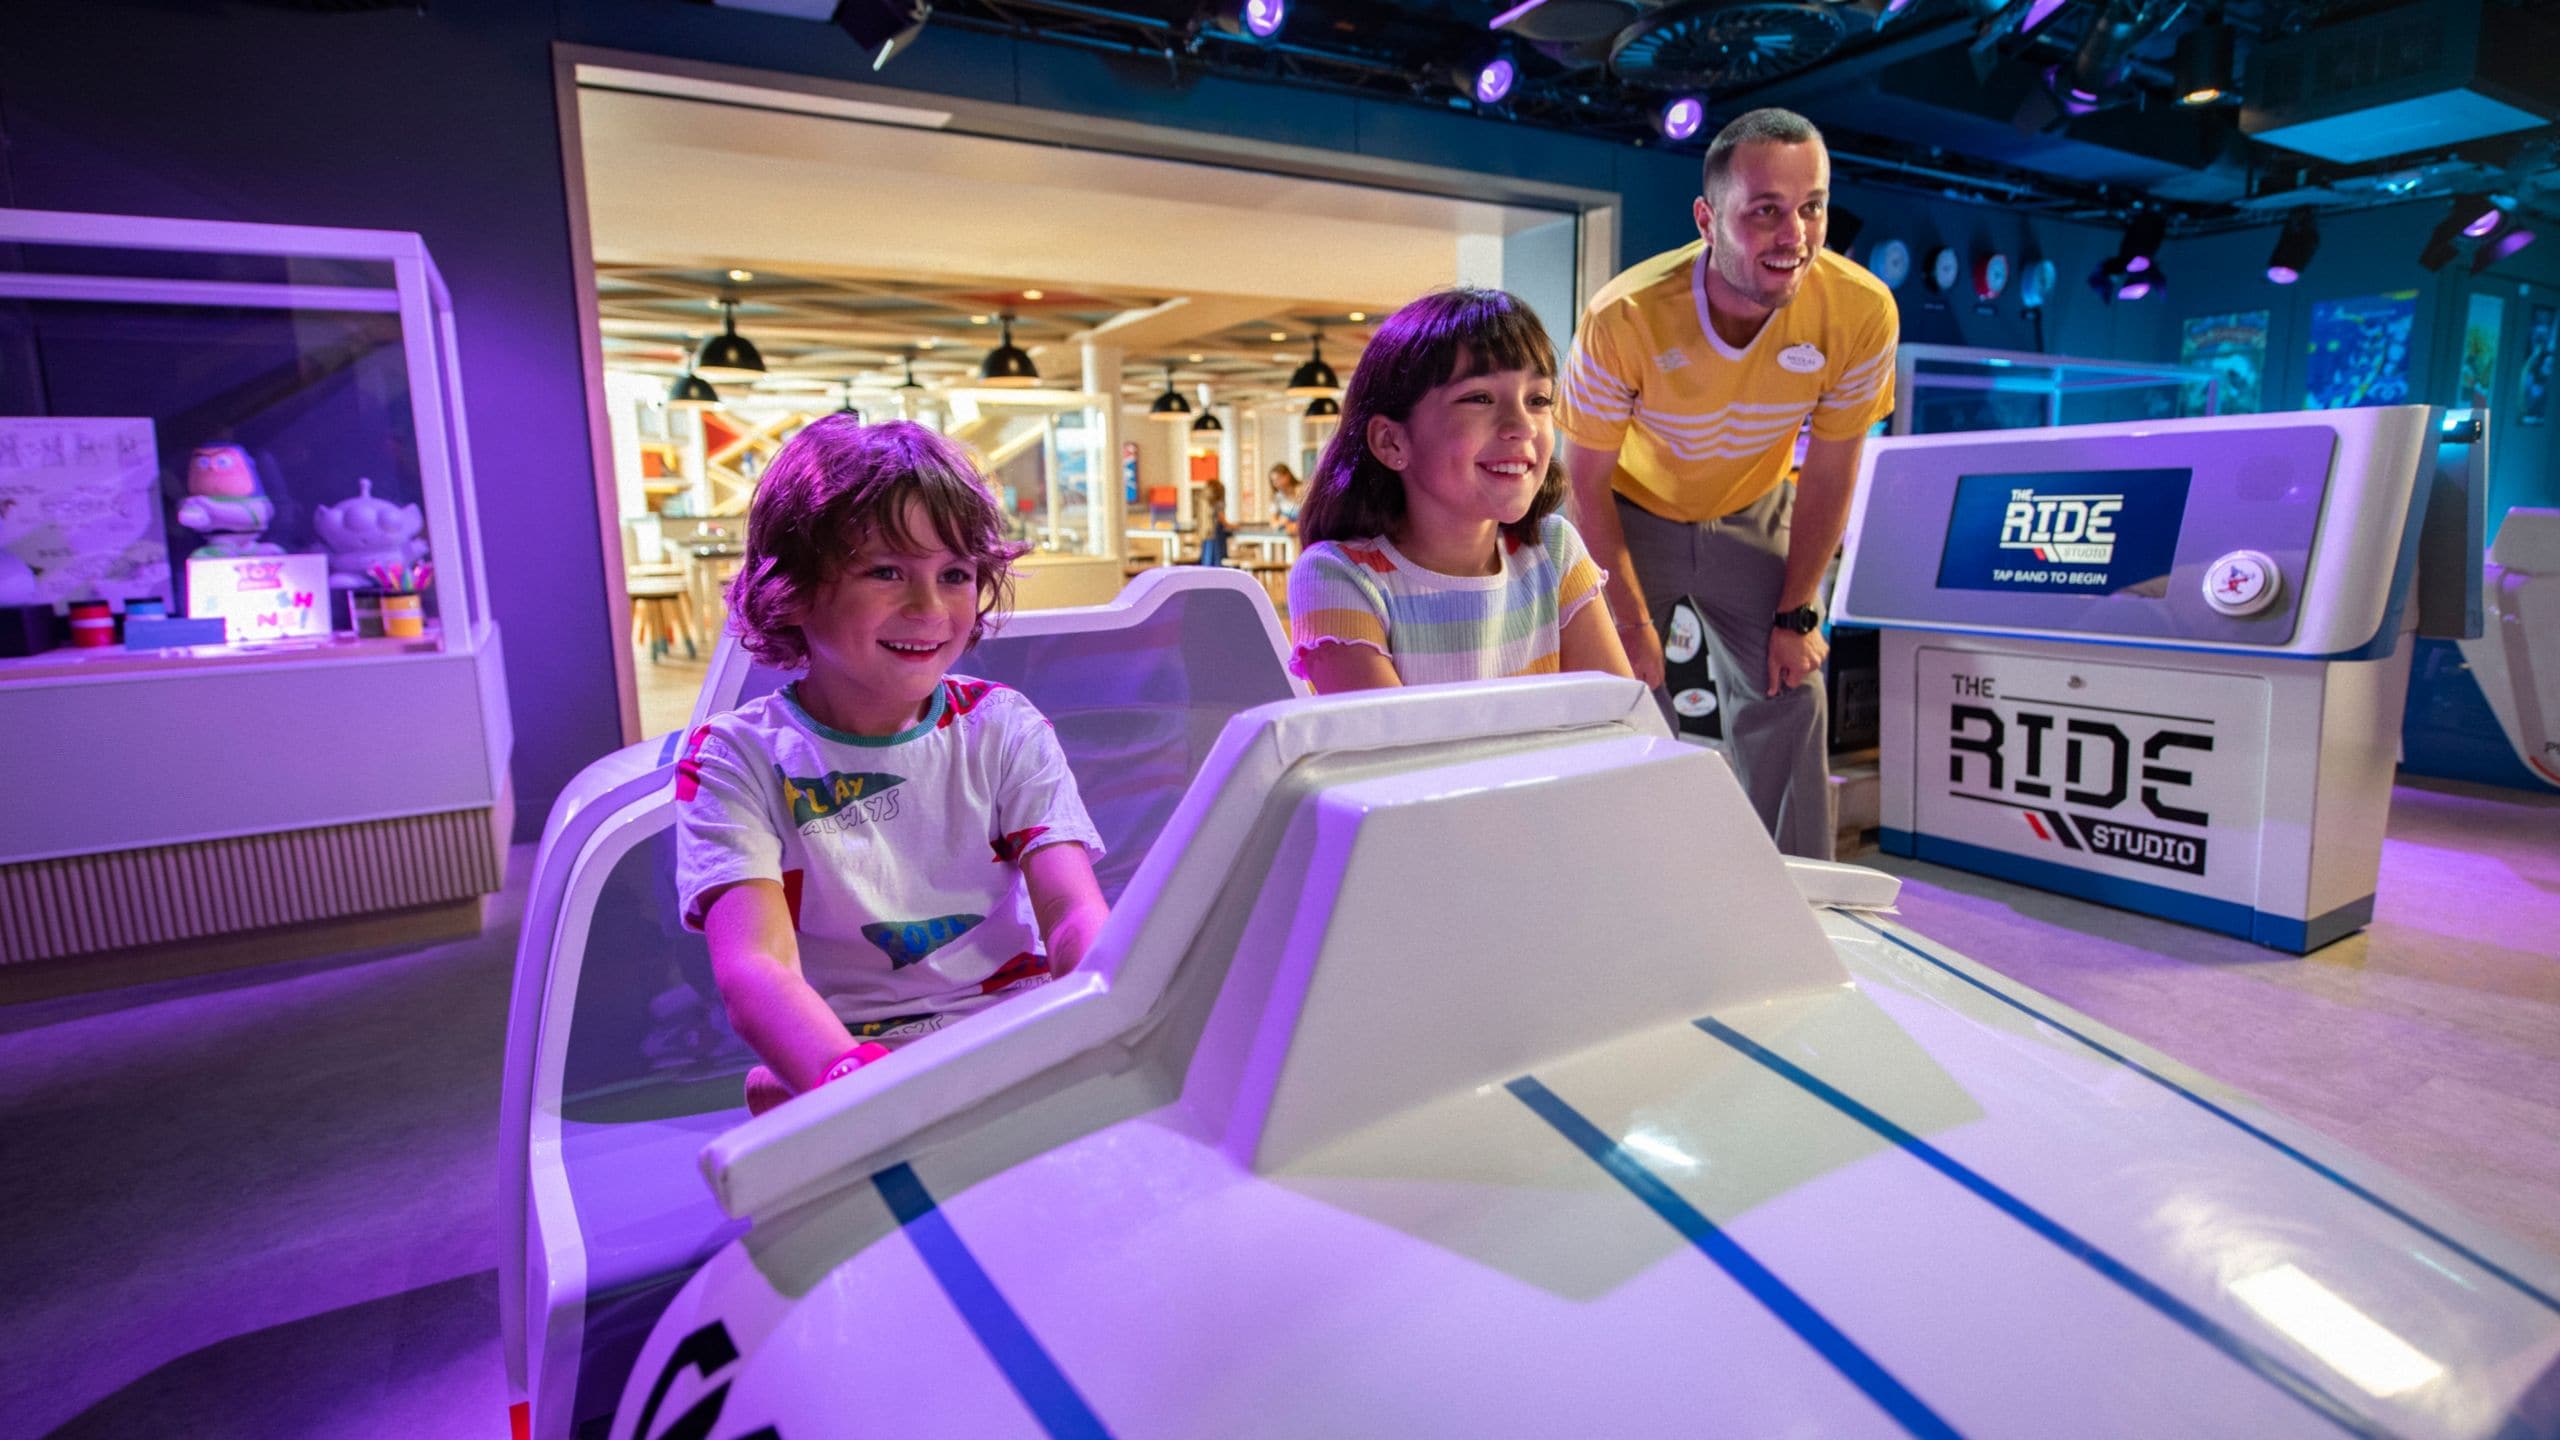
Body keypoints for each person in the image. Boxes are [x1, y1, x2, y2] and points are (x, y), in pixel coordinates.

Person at [674, 417, 1110, 1116]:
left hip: (1012, 1029)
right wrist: (855, 1084)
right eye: (886, 571)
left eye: (955, 575)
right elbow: (757, 972)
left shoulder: (1005, 726)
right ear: (797, 587)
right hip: (844, 1056)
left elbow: (1071, 913)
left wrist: (1108, 1009)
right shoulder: (735, 759)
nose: (929, 608)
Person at [1558, 106, 1899, 859]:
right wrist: (1631, 622)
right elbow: (1583, 480)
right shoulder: (1625, 314)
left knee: (1792, 691)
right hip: (1631, 514)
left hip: (1754, 510)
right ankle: (1636, 874)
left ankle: (1798, 894)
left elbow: (1834, 469)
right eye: (1766, 212)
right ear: (1708, 221)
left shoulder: (1861, 309)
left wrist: (1797, 613)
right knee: (1628, 692)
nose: (1797, 235)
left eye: (1812, 206)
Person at [1286, 287, 1631, 692]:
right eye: (1480, 398)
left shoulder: (1554, 552)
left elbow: (1622, 725)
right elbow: (1393, 754)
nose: (1522, 426)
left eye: (1538, 399)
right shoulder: (1339, 576)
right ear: (1391, 442)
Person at [1194, 477, 1231, 568]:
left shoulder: (1204, 506)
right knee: (1218, 562)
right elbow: (1223, 521)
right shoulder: (1218, 503)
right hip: (1217, 538)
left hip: (1207, 537)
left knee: (1208, 562)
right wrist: (1236, 526)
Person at [1268, 463, 1304, 536]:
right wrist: (1280, 523)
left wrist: (1297, 525)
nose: (1275, 483)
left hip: (1303, 531)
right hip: (1288, 533)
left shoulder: (1302, 490)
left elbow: (1311, 516)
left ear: (1287, 476)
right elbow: (1273, 521)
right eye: (1273, 481)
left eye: (1278, 479)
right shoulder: (1277, 497)